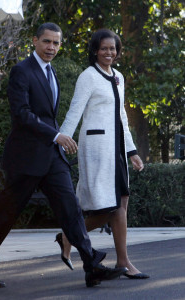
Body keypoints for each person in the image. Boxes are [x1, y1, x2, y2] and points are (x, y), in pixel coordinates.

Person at [0, 23, 127, 289]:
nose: (51, 47)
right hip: (26, 158)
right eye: (46, 42)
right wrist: (56, 135)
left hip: (51, 157)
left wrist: (56, 140)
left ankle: (91, 266)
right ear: (35, 41)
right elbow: (22, 114)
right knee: (5, 214)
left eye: (56, 43)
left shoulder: (52, 72)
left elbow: (47, 114)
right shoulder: (21, 71)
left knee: (71, 209)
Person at [56, 29, 149, 279]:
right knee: (105, 208)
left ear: (118, 52)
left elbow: (121, 117)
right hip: (96, 148)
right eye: (104, 48)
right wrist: (62, 139)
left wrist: (132, 151)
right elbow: (75, 110)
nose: (109, 52)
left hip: (117, 149)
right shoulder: (88, 76)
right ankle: (68, 235)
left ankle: (123, 261)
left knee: (121, 204)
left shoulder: (118, 77)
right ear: (95, 50)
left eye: (113, 48)